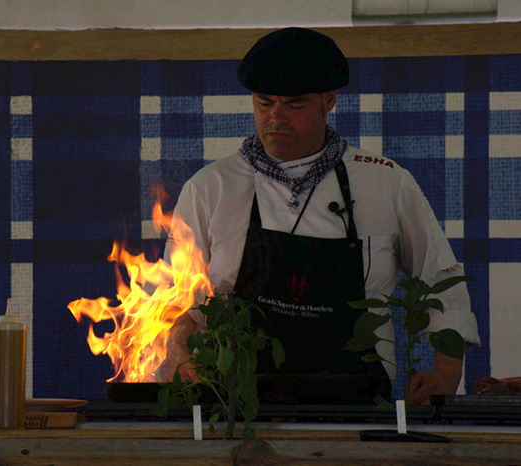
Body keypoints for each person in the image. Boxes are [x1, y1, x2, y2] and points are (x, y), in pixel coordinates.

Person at [163, 27, 480, 405]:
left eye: (295, 105)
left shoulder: (385, 182)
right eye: (264, 102)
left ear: (328, 101)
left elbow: (439, 278)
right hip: (235, 409)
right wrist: (178, 350)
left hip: (358, 405)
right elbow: (177, 299)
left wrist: (446, 369)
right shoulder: (210, 188)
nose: (276, 118)